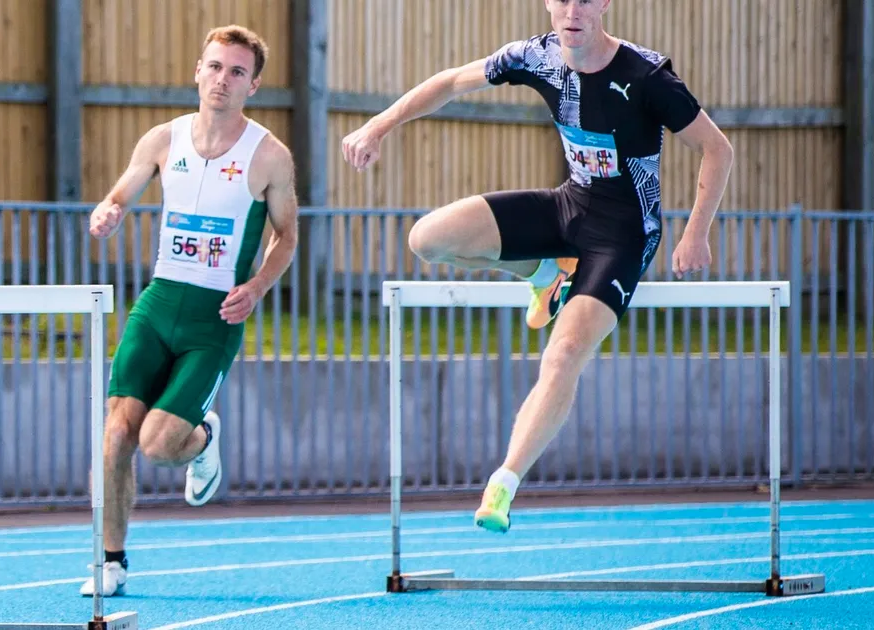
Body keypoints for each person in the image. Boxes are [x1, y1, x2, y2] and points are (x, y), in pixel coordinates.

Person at [341, 0, 733, 533]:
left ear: (605, 4)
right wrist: (379, 126)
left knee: (566, 351)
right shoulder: (537, 56)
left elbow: (717, 148)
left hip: (622, 235)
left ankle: (504, 482)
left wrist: (695, 233)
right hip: (568, 207)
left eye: (585, 0)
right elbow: (454, 81)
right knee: (427, 238)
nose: (573, 11)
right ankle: (546, 275)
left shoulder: (646, 75)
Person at [83, 25, 299, 595]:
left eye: (235, 72)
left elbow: (287, 238)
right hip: (157, 305)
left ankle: (203, 438)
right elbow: (120, 193)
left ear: (253, 84)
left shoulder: (269, 156)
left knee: (158, 445)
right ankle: (110, 562)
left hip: (214, 320)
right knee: (116, 435)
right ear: (196, 71)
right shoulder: (162, 139)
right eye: (214, 67)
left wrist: (256, 286)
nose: (221, 80)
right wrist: (106, 212)